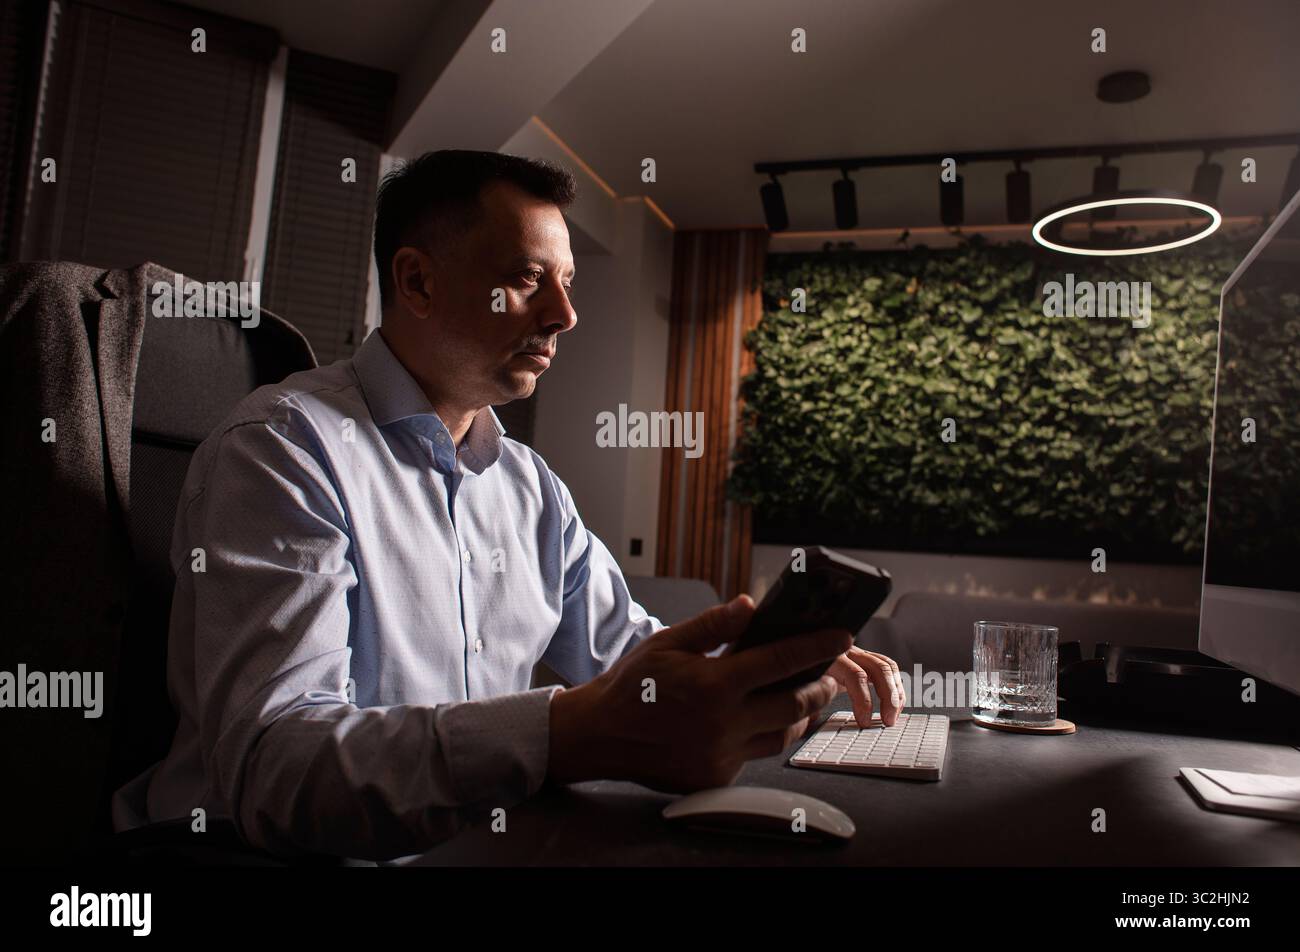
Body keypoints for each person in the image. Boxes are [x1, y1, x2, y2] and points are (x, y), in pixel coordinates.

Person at [116, 149, 904, 861]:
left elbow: (629, 654)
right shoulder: (284, 449)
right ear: (417, 281)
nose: (563, 315)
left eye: (567, 284)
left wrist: (770, 664)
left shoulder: (528, 485)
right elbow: (275, 770)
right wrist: (565, 734)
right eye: (529, 280)